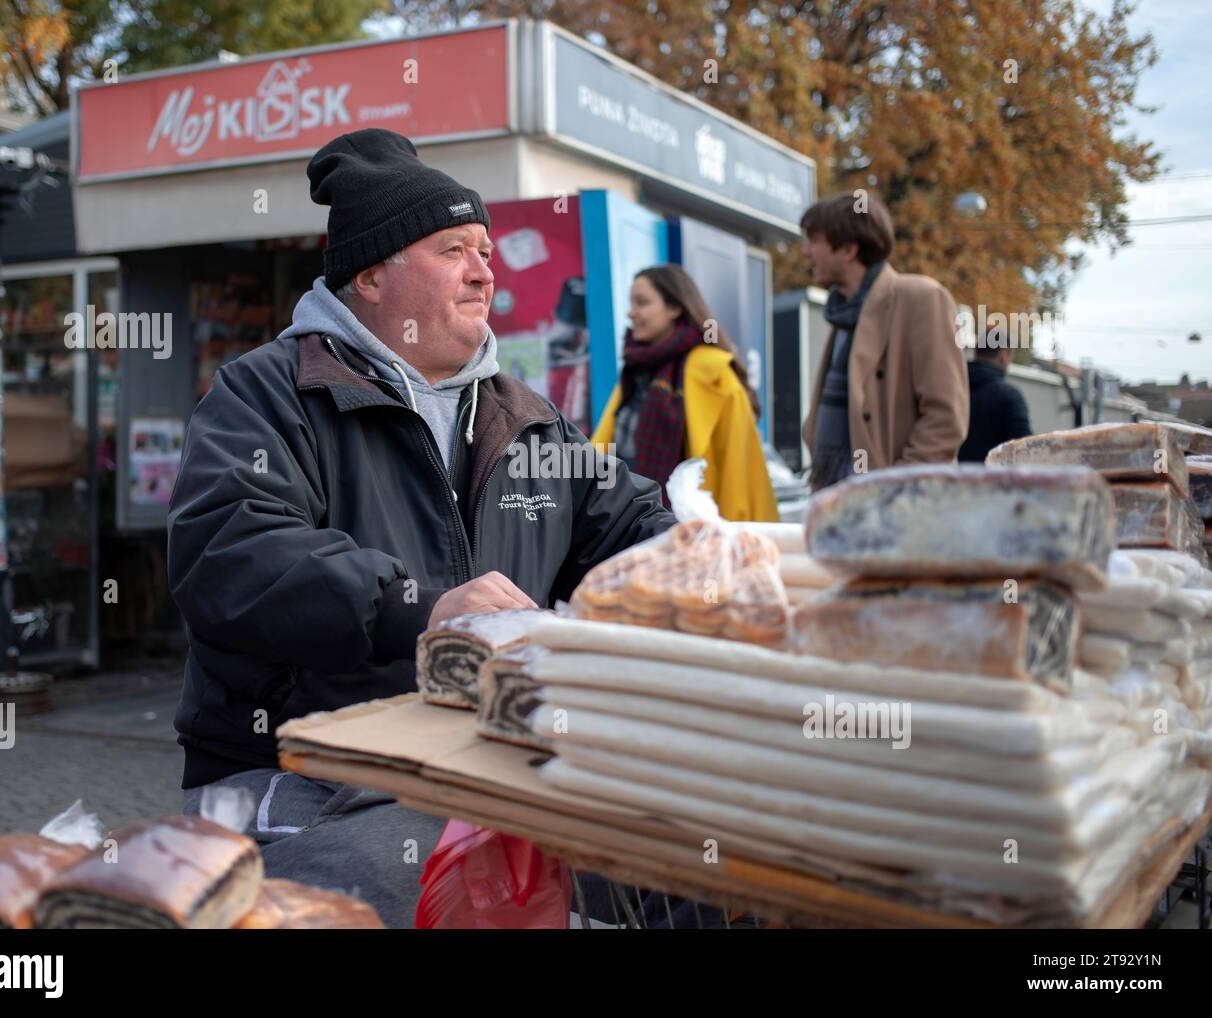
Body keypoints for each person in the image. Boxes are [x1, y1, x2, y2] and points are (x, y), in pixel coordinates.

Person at [166, 128, 679, 927]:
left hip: (485, 761)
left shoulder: (526, 418)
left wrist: (706, 555)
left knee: (670, 872)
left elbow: (631, 520)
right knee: (411, 897)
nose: (485, 271)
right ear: (370, 275)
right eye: (453, 250)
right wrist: (425, 608)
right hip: (305, 772)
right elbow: (231, 556)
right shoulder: (267, 393)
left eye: (485, 250)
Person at [799, 191, 968, 491]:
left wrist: (894, 490)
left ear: (848, 249)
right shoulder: (845, 314)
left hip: (895, 515)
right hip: (838, 500)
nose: (805, 252)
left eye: (814, 241)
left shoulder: (922, 298)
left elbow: (945, 417)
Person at [591, 265, 779, 521]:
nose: (631, 312)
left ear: (675, 308)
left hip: (691, 529)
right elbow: (606, 449)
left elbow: (740, 473)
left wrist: (733, 541)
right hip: (625, 523)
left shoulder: (714, 372)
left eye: (642, 303)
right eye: (631, 303)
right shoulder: (635, 370)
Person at [958, 343, 1032, 461]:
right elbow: (1026, 451)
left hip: (954, 476)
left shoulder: (952, 390)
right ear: (1003, 355)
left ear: (976, 352)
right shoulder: (1010, 396)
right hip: (995, 478)